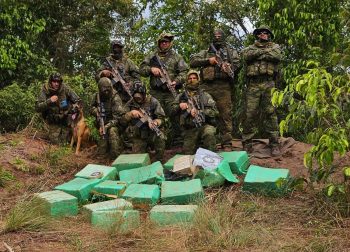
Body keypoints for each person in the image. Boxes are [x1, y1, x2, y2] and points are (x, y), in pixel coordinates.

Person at [190, 29, 239, 146]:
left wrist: (228, 67)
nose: (217, 38)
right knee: (203, 111)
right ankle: (204, 141)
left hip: (223, 86)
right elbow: (192, 61)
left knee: (225, 114)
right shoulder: (205, 52)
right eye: (215, 36)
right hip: (206, 87)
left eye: (219, 36)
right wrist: (208, 61)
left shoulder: (230, 52)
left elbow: (237, 64)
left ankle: (226, 143)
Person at [139, 31, 188, 145]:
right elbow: (141, 69)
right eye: (163, 42)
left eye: (167, 42)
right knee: (152, 115)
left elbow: (184, 72)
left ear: (170, 43)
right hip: (155, 92)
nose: (165, 44)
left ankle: (178, 140)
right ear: (159, 43)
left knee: (175, 114)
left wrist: (176, 81)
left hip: (171, 92)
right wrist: (151, 69)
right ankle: (154, 141)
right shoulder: (151, 56)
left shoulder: (177, 57)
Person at [241, 26, 282, 156]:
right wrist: (263, 52)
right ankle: (247, 143)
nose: (264, 34)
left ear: (269, 35)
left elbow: (277, 56)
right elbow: (247, 56)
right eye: (261, 33)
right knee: (250, 114)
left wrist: (259, 53)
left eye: (266, 33)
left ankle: (274, 144)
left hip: (269, 83)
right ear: (257, 35)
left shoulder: (275, 47)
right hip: (253, 84)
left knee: (271, 113)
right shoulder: (250, 48)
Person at [171, 70, 218, 154]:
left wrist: (199, 112)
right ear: (187, 80)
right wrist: (179, 106)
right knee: (188, 153)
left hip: (204, 126)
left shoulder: (205, 95)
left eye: (194, 78)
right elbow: (171, 111)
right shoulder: (181, 96)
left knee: (209, 133)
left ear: (198, 79)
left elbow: (215, 112)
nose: (192, 80)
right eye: (190, 78)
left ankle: (213, 158)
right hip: (190, 129)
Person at [121, 82, 166, 161]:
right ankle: (146, 149)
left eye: (140, 96)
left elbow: (162, 118)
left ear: (144, 93)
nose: (138, 99)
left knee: (161, 136)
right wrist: (130, 114)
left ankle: (159, 159)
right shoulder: (130, 103)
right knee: (138, 160)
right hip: (139, 135)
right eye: (136, 97)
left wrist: (156, 122)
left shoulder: (153, 101)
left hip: (152, 133)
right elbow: (121, 121)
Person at [36, 72, 81, 144]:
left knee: (69, 141)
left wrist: (74, 108)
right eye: (54, 81)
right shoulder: (45, 90)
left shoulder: (65, 88)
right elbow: (37, 108)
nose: (56, 84)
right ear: (50, 82)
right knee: (56, 142)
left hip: (66, 119)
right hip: (54, 120)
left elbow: (78, 100)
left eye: (58, 82)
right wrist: (49, 101)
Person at [96, 40, 140, 104]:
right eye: (115, 48)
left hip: (126, 97)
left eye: (119, 47)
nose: (117, 49)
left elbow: (137, 77)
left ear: (121, 48)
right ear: (112, 49)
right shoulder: (107, 63)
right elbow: (97, 77)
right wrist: (102, 73)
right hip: (111, 98)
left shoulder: (128, 61)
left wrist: (130, 84)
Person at [91, 77, 125, 158]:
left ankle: (116, 157)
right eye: (104, 89)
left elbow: (118, 118)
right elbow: (91, 108)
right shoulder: (97, 96)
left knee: (112, 131)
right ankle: (103, 155)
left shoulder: (115, 97)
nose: (106, 92)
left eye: (108, 89)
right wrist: (96, 111)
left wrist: (106, 127)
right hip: (103, 122)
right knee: (101, 151)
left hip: (116, 124)